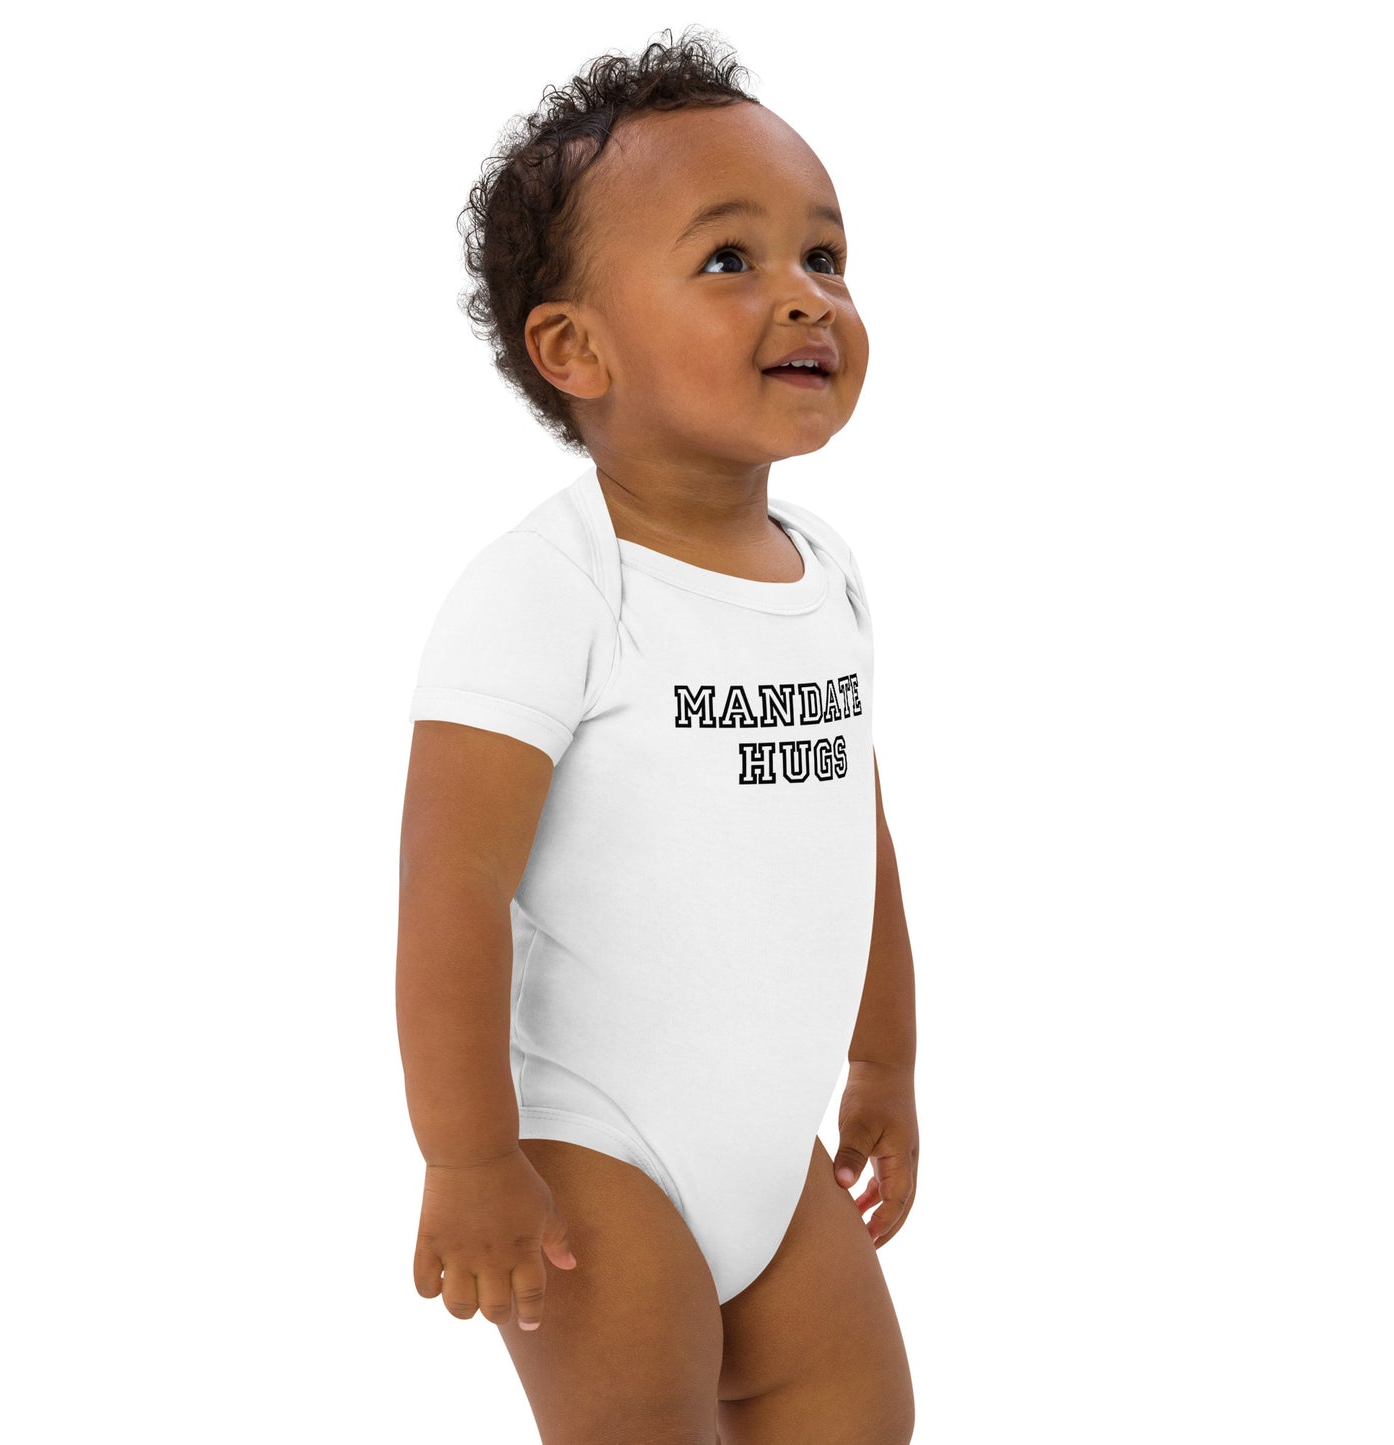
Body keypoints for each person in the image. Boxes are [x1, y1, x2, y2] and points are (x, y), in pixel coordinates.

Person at [396, 26, 918, 1444]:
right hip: (594, 1150)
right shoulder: (548, 590)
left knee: (864, 1416)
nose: (806, 295)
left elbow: (852, 835)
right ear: (576, 348)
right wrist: (467, 1155)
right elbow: (450, 887)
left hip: (771, 1150)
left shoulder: (828, 573)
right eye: (729, 259)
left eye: (825, 255)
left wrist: (883, 1062)